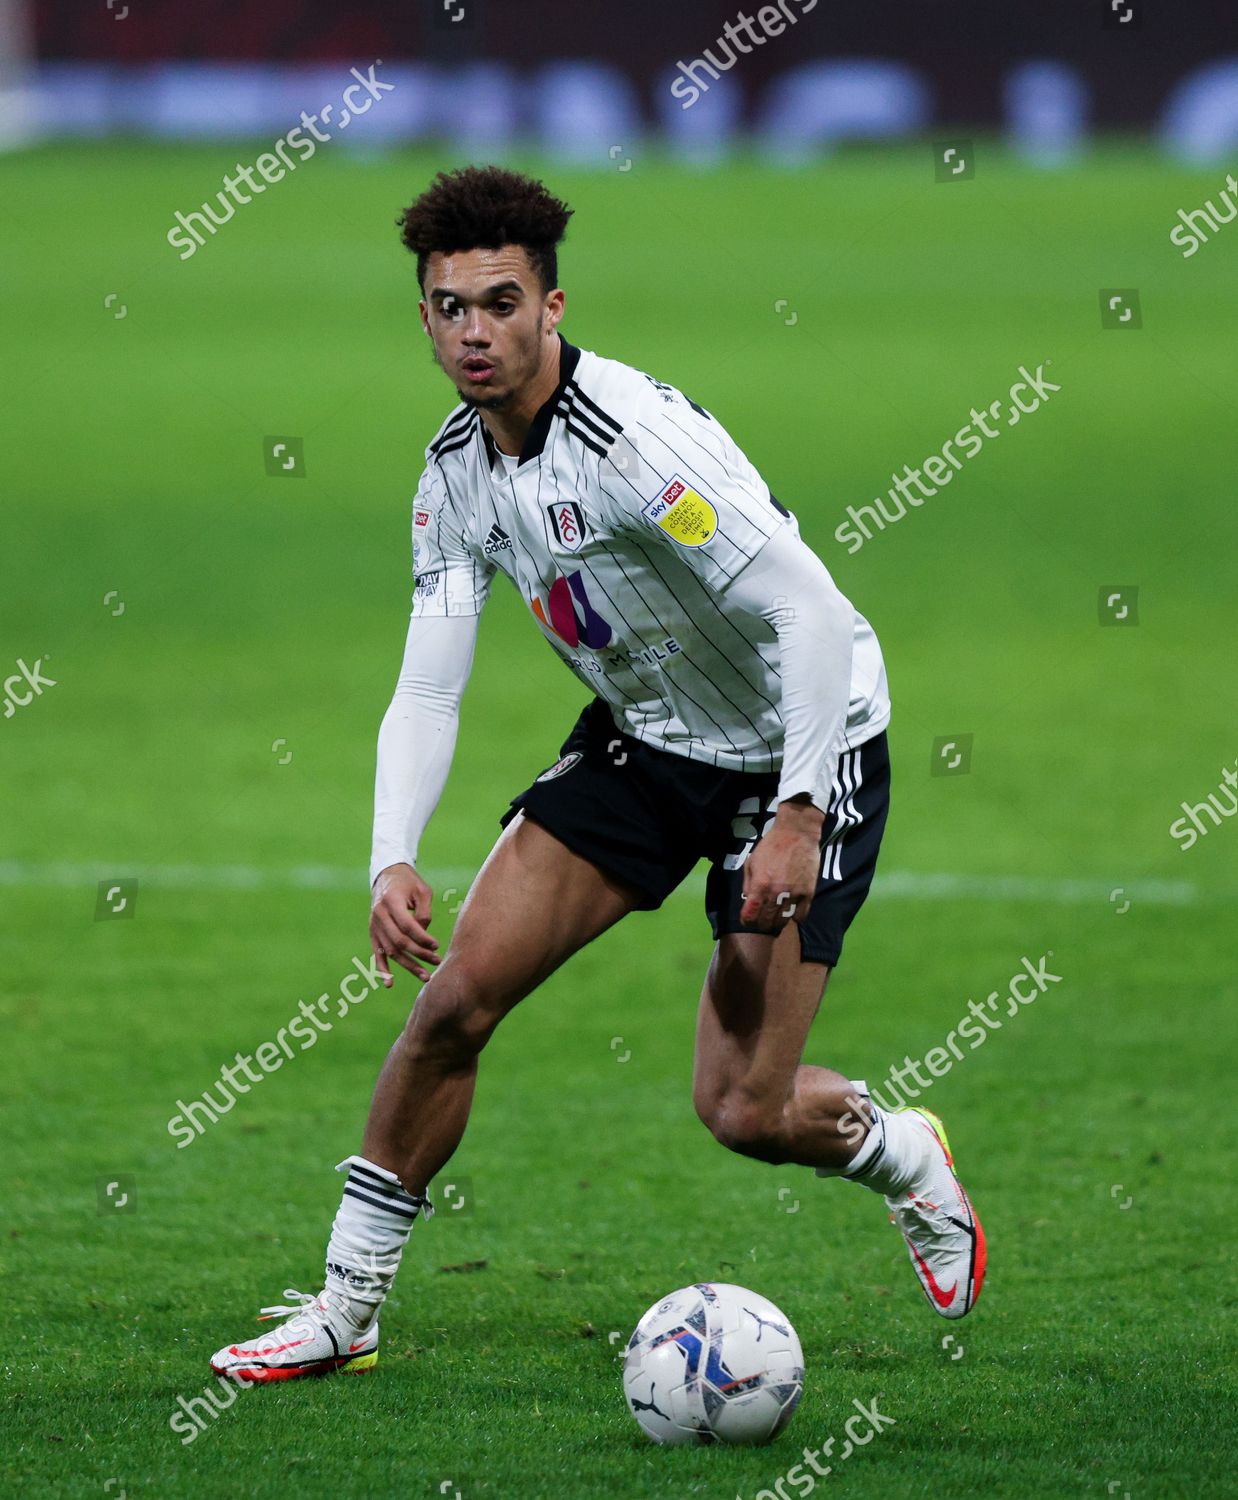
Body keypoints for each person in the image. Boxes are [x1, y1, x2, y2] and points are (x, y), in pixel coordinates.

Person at [211, 165, 984, 1384]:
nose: (476, 332)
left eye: (501, 303)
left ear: (553, 306)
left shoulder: (632, 448)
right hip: (643, 737)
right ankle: (346, 1310)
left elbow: (811, 614)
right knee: (455, 999)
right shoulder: (455, 473)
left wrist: (795, 812)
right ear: (423, 319)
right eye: (451, 308)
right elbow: (427, 687)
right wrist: (390, 855)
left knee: (742, 1109)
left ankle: (900, 1155)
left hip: (801, 738)